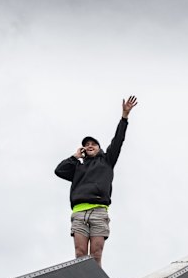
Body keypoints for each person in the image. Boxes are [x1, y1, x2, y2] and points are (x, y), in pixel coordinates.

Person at [54, 96, 138, 267]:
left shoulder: (107, 161)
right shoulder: (77, 167)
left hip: (99, 212)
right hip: (79, 213)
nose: (90, 145)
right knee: (80, 254)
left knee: (96, 255)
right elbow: (59, 171)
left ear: (99, 148)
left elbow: (118, 140)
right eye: (86, 144)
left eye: (93, 143)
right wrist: (75, 156)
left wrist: (124, 117)